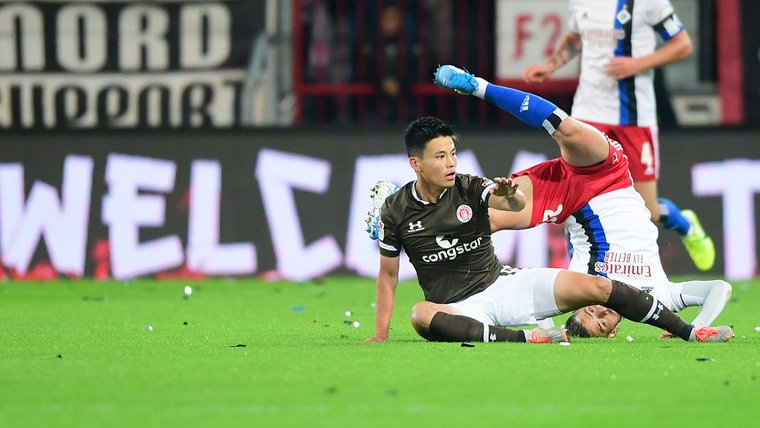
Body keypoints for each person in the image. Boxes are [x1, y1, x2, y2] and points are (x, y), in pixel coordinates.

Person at [366, 64, 732, 339]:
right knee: (568, 130)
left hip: (568, 200)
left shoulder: (586, 284)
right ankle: (479, 87)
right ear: (615, 329)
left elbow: (540, 300)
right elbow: (720, 288)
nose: (598, 312)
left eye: (590, 318)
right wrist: (692, 328)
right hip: (608, 178)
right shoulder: (661, 296)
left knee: (479, 219)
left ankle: (387, 220)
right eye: (602, 319)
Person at [521, 0, 715, 271]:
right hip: (587, 113)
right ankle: (578, 278)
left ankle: (685, 224)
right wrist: (551, 66)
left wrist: (638, 64)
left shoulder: (649, 3)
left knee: (646, 211)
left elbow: (683, 45)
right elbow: (576, 39)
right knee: (576, 199)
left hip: (634, 118)